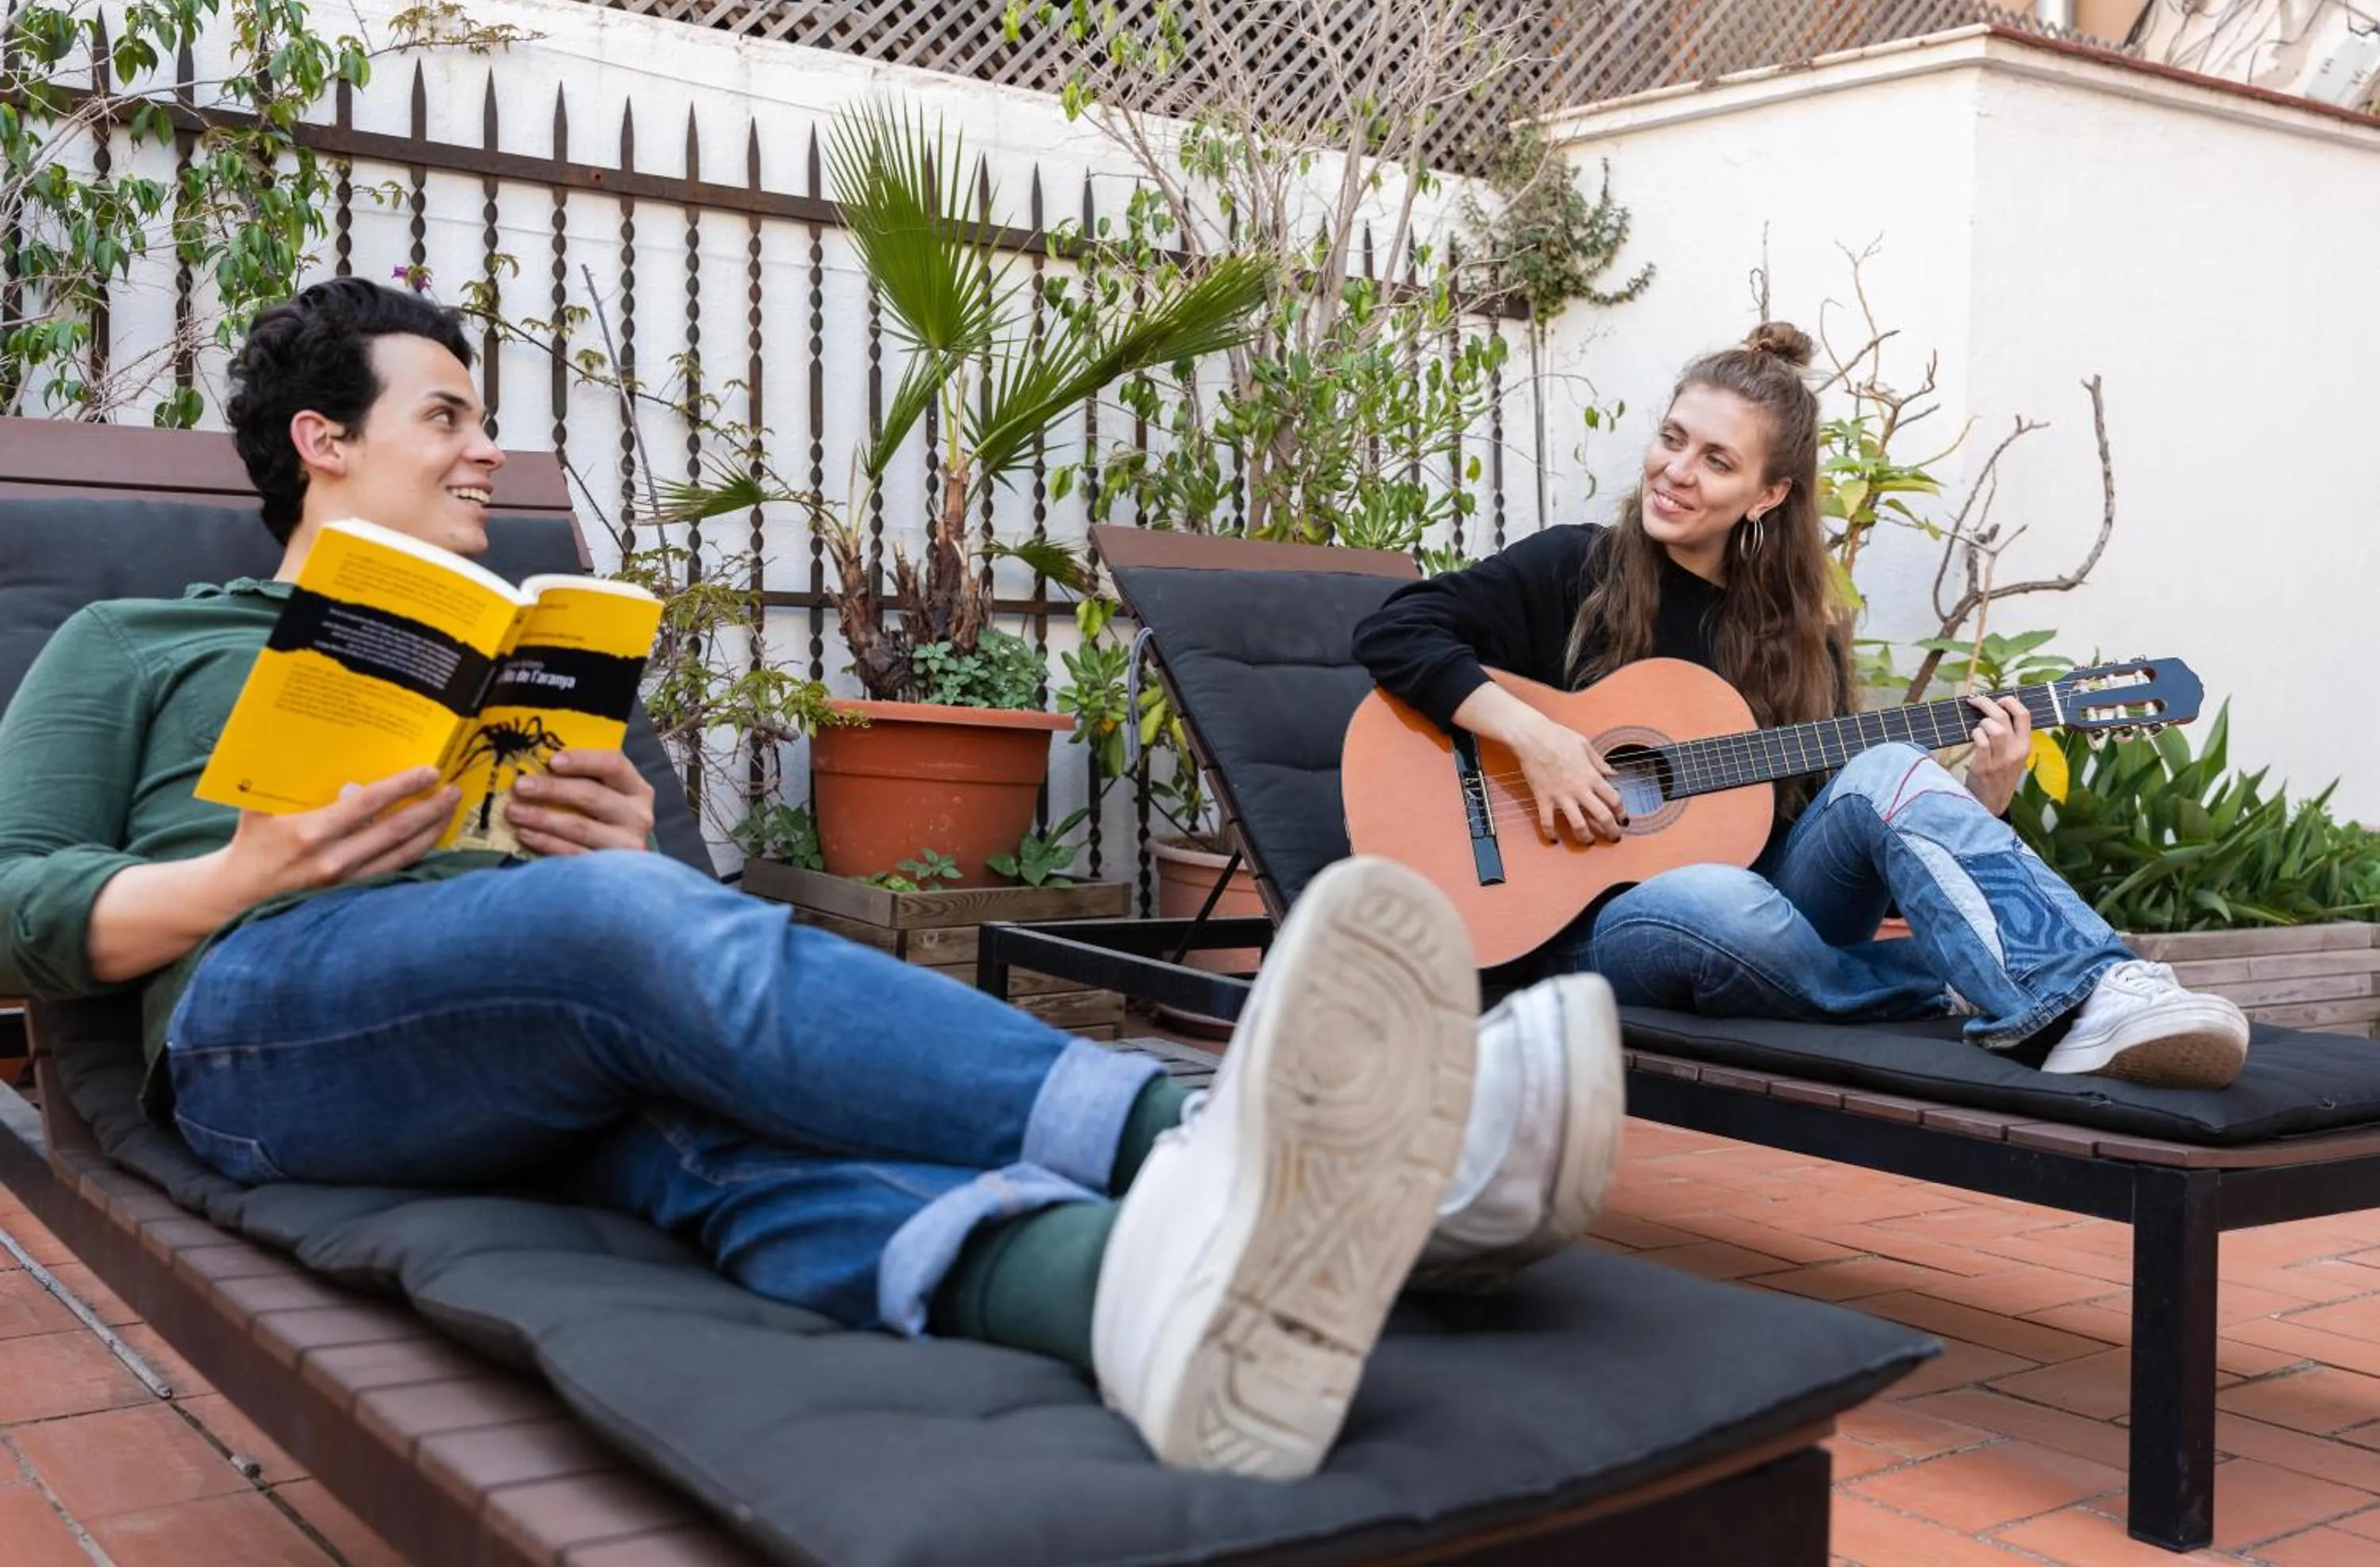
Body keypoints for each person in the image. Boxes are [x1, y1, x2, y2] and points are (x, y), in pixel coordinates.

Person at [0, 278, 1625, 1483]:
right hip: (257, 1029)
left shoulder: (503, 649)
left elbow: (610, 916)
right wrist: (238, 870)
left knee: (694, 1140)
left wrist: (614, 839)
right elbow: (14, 893)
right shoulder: (135, 643)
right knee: (617, 931)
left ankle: (1127, 1293)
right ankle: (1230, 1135)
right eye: (449, 416)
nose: (488, 450)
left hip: (500, 1003)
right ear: (322, 440)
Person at [1353, 321, 2251, 1090]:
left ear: (1769, 494)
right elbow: (1396, 631)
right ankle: (1958, 981)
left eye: (1716, 460)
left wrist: (1982, 798)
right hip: (1593, 928)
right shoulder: (1574, 568)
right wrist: (1540, 738)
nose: (1676, 471)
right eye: (1673, 438)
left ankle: (2099, 991)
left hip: (1776, 916)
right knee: (1715, 899)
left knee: (1883, 767)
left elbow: (1832, 834)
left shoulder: (1799, 631)